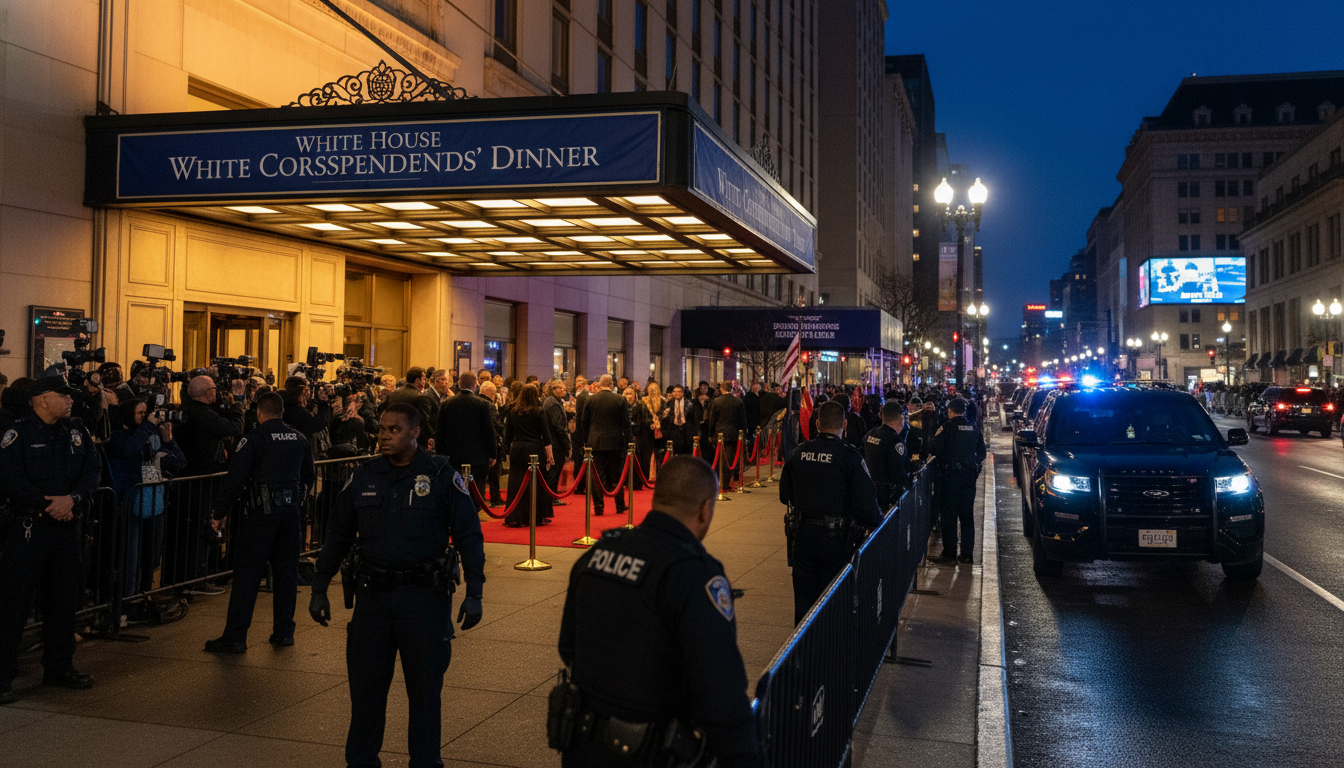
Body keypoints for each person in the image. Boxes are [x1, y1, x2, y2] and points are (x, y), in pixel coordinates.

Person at [554, 456, 762, 768]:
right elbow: (720, 690)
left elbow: (568, 646)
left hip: (582, 748)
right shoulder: (694, 573)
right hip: (649, 753)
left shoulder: (599, 553)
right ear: (705, 509)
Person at [308, 403, 486, 768]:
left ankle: (424, 762)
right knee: (366, 694)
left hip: (423, 601)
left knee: (424, 695)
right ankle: (361, 761)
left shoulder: (439, 475)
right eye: (383, 429)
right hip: (372, 599)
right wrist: (319, 585)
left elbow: (469, 535)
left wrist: (475, 592)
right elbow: (338, 533)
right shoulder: (365, 474)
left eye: (394, 430)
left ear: (415, 433)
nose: (384, 436)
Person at [0, 376, 102, 704]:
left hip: (65, 527)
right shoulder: (18, 433)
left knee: (63, 600)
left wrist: (72, 498)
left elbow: (92, 471)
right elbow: (8, 478)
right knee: (14, 604)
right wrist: (48, 503)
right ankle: (3, 676)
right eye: (63, 395)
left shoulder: (75, 431)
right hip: (29, 527)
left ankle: (59, 665)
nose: (70, 400)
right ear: (42, 400)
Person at [204, 392, 316, 653]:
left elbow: (235, 480)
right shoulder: (298, 438)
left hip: (261, 514)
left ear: (259, 413)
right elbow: (309, 476)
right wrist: (297, 502)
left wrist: (219, 514)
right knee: (286, 574)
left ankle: (235, 637)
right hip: (290, 514)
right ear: (281, 412)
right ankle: (284, 632)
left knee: (248, 574)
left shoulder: (254, 438)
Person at [778, 400, 883, 624]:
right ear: (844, 425)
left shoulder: (799, 452)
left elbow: (784, 495)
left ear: (817, 423)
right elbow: (866, 502)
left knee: (804, 599)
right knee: (833, 599)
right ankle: (828, 652)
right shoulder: (849, 456)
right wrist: (879, 523)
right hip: (836, 540)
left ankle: (803, 653)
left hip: (803, 536)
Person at [106, 398, 186, 596]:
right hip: (131, 502)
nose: (145, 417)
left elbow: (179, 463)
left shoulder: (152, 438)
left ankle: (145, 594)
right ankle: (128, 598)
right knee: (130, 556)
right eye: (140, 413)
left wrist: (169, 441)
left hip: (154, 502)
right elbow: (129, 450)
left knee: (151, 556)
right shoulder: (118, 438)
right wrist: (148, 426)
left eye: (146, 413)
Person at [928, 398, 987, 564]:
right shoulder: (974, 428)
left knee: (949, 515)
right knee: (967, 516)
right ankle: (967, 554)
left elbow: (933, 449)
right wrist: (972, 463)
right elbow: (982, 452)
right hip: (968, 478)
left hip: (950, 477)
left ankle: (950, 553)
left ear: (950, 411)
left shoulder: (947, 428)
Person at [434, 372, 497, 493]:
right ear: (475, 385)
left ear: (459, 384)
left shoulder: (447, 403)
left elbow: (440, 433)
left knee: (455, 491)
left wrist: (440, 453)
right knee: (476, 492)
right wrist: (492, 454)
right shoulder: (482, 404)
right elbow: (489, 431)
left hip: (453, 455)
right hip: (478, 456)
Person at [578, 375, 632, 517]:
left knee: (596, 475)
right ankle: (619, 505)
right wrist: (629, 442)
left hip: (595, 441)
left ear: (599, 385)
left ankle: (598, 506)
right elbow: (626, 424)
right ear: (612, 384)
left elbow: (584, 423)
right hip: (615, 442)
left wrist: (585, 442)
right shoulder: (620, 400)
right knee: (617, 474)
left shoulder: (590, 399)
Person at [503, 383, 554, 528]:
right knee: (536, 483)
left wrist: (507, 452)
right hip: (535, 449)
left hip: (518, 448)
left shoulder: (513, 411)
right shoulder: (539, 411)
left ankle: (514, 516)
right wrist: (550, 455)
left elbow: (508, 435)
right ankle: (536, 516)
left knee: (516, 483)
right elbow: (546, 435)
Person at [863, 401, 916, 510]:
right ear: (901, 419)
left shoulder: (871, 434)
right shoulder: (895, 441)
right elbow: (898, 473)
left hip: (869, 492)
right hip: (887, 498)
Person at [705, 380, 747, 490]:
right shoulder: (738, 402)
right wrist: (744, 434)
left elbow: (712, 419)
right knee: (731, 459)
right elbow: (742, 420)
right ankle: (727, 480)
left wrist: (710, 434)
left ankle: (720, 479)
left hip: (720, 433)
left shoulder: (716, 401)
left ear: (721, 388)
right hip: (733, 434)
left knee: (720, 458)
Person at [385, 367, 439, 445]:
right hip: (413, 440)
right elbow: (423, 422)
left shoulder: (393, 394)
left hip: (393, 436)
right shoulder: (420, 397)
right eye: (423, 379)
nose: (425, 382)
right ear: (417, 380)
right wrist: (432, 437)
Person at [543, 379, 572, 507]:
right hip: (555, 442)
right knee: (554, 471)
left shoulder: (555, 401)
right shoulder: (552, 403)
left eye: (563, 388)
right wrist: (567, 444)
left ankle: (551, 496)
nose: (562, 390)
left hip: (554, 441)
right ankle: (551, 497)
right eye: (559, 388)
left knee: (554, 471)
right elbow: (557, 426)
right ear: (553, 390)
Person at [479, 381, 506, 505]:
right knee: (494, 473)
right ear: (492, 393)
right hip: (492, 443)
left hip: (479, 444)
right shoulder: (489, 405)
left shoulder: (475, 402)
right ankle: (495, 497)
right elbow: (497, 425)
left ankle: (481, 497)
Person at [660, 384, 694, 456]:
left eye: (679, 392)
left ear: (682, 393)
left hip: (685, 429)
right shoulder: (670, 403)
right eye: (674, 392)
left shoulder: (689, 403)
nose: (676, 393)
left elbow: (693, 418)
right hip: (673, 428)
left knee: (686, 452)